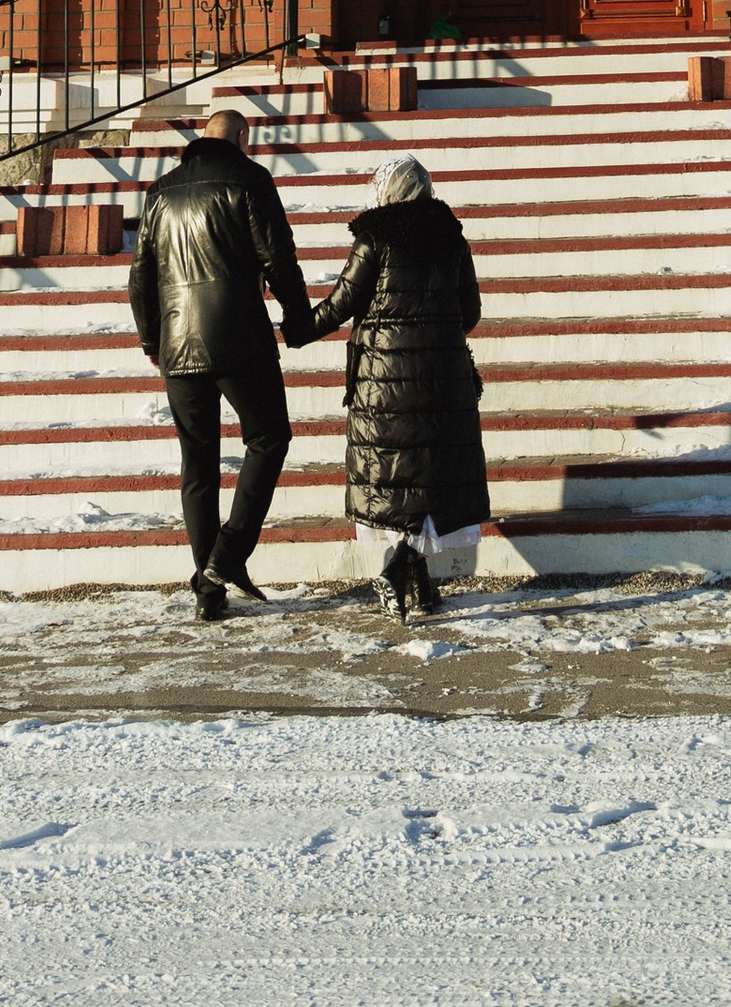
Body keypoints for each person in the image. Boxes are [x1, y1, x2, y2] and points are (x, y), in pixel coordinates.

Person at [127, 105, 313, 622]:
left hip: (178, 343)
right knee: (269, 437)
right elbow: (278, 256)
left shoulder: (161, 191)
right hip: (239, 339)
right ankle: (225, 558)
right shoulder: (250, 179)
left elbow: (140, 273)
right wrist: (298, 318)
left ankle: (208, 588)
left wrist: (151, 339)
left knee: (198, 459)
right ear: (243, 139)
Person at [300, 155, 489, 621]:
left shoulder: (376, 236)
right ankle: (421, 587)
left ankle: (398, 569)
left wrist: (294, 330)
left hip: (384, 382)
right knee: (429, 480)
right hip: (443, 379)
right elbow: (470, 314)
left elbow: (341, 303)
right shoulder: (451, 236)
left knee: (398, 478)